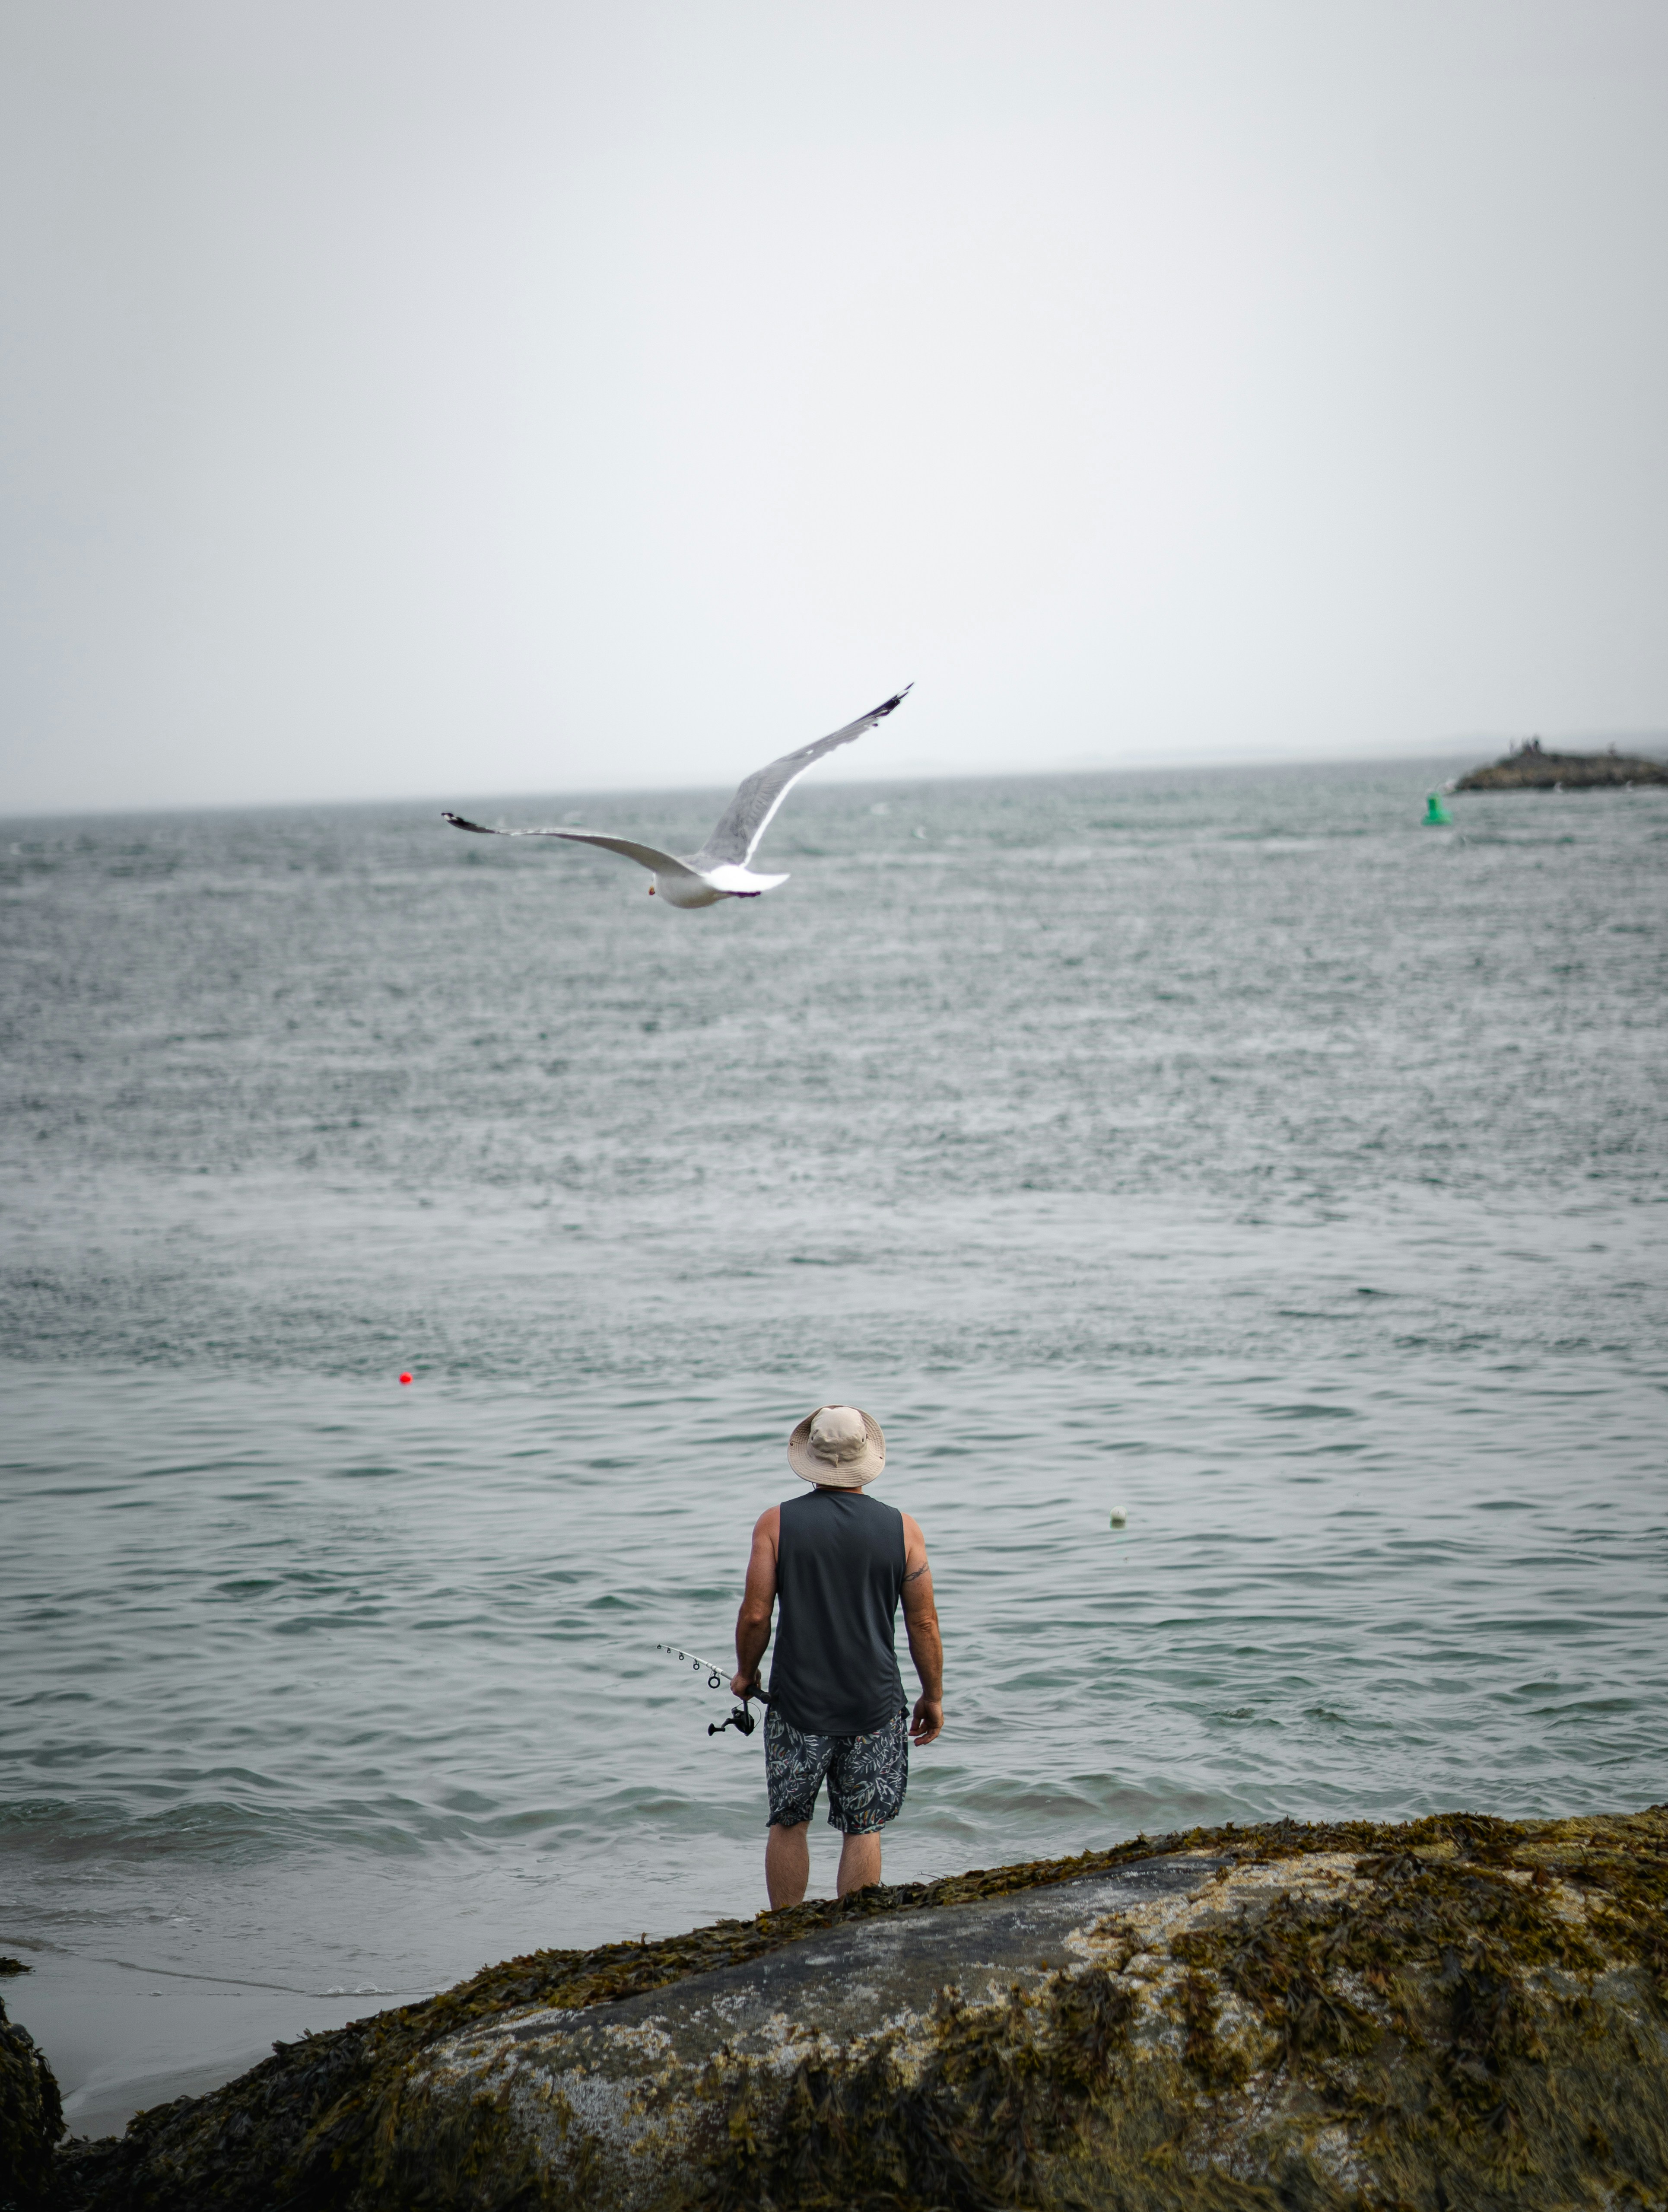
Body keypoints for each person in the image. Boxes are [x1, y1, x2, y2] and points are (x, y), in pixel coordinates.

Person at [731, 1403, 944, 1908]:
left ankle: (783, 1933)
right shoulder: (903, 1529)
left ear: (811, 1455)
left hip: (797, 1705)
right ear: (866, 1457)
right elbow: (924, 1623)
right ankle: (853, 1938)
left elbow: (756, 1615)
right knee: (863, 1825)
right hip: (874, 1705)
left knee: (789, 1821)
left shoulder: (776, 1524)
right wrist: (932, 1695)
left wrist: (745, 1673)